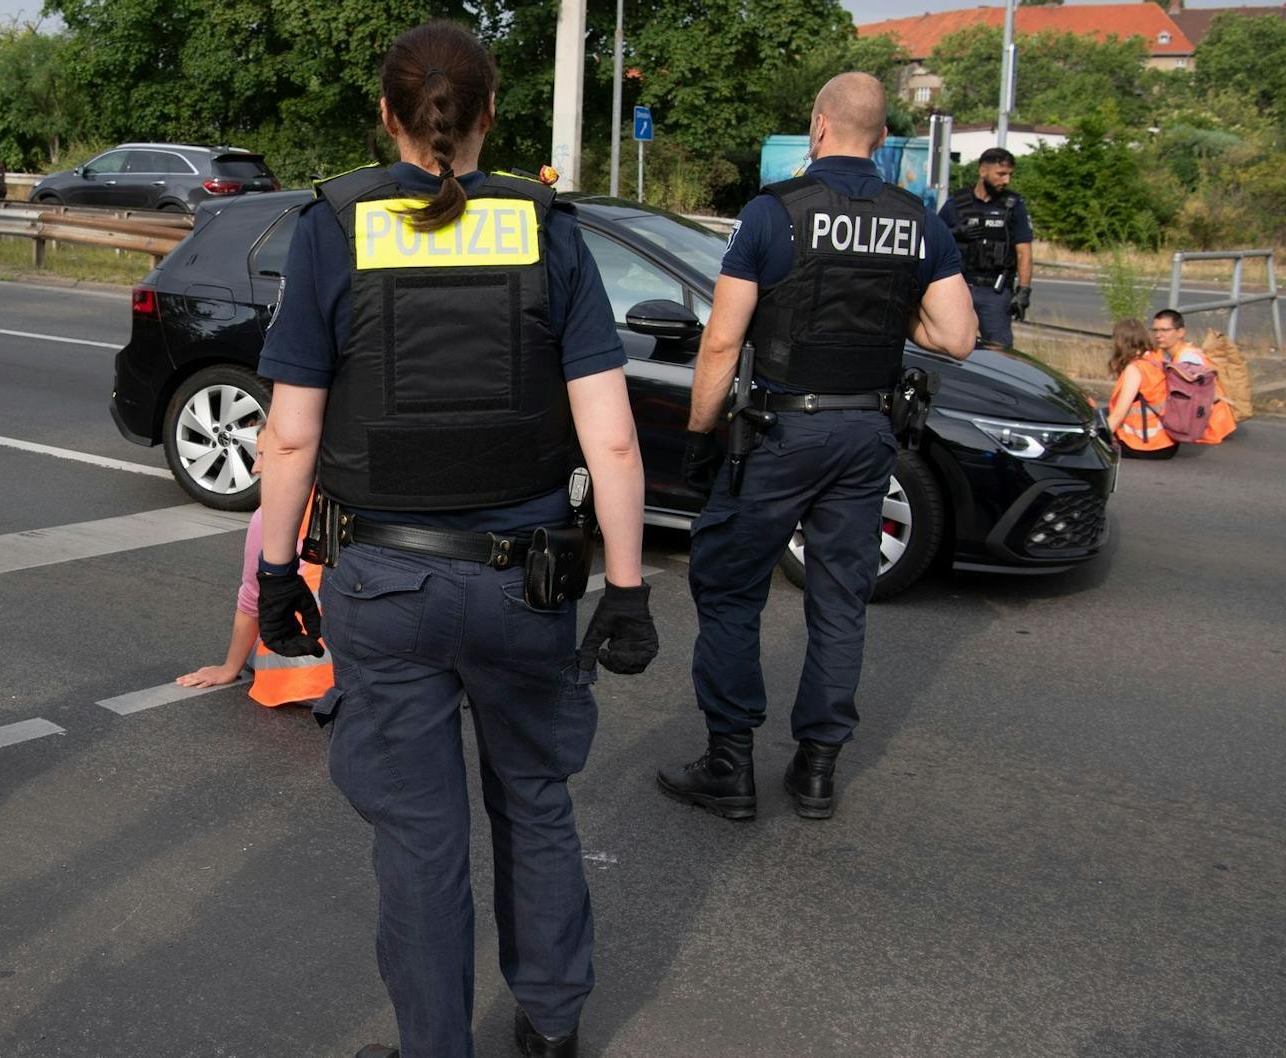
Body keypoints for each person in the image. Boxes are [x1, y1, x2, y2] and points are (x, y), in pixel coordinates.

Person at [252, 22, 657, 1058]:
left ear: (389, 116)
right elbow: (610, 438)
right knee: (534, 800)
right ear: (487, 117)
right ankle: (552, 1024)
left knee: (420, 839)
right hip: (527, 580)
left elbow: (291, 431)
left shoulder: (332, 226)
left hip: (382, 583)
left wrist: (271, 567)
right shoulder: (546, 230)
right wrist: (625, 588)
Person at [662, 73, 975, 822]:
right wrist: (884, 312)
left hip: (780, 431)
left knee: (731, 585)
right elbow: (957, 336)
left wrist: (701, 435)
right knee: (840, 599)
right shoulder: (917, 219)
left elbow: (721, 341)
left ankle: (730, 767)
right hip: (867, 435)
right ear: (881, 134)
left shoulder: (773, 214)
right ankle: (817, 771)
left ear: (819, 126)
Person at [176, 504, 333, 707]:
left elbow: (253, 600)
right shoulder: (356, 502)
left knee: (259, 640)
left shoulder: (272, 514)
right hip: (365, 679)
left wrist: (229, 668)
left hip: (302, 682)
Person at [940, 147, 1033, 350]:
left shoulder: (1013, 205)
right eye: (1001, 174)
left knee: (999, 352)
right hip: (959, 287)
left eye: (1009, 174)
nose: (1006, 180)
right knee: (950, 346)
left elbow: (1023, 250)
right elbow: (934, 240)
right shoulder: (957, 203)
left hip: (995, 292)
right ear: (983, 171)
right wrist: (955, 232)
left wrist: (1024, 290)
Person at [1149, 309, 1237, 444]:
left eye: (1165, 330)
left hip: (1209, 427)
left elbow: (1195, 399)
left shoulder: (1189, 359)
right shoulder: (1171, 354)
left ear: (1180, 332)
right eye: (1155, 330)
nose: (1158, 335)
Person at [1105, 318, 1177, 459]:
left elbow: (1119, 414)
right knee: (1102, 414)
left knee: (1098, 425)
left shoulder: (1135, 369)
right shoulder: (1156, 358)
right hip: (1168, 442)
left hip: (1145, 445)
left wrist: (1093, 440)